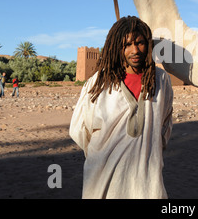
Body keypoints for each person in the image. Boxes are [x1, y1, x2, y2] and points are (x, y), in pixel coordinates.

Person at [69, 16, 173, 199]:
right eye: (126, 45)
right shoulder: (99, 83)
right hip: (103, 178)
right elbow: (79, 130)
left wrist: (149, 148)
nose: (134, 50)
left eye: (140, 43)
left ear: (148, 45)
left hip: (147, 180)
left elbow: (165, 122)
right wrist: (100, 154)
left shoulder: (161, 80)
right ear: (116, 47)